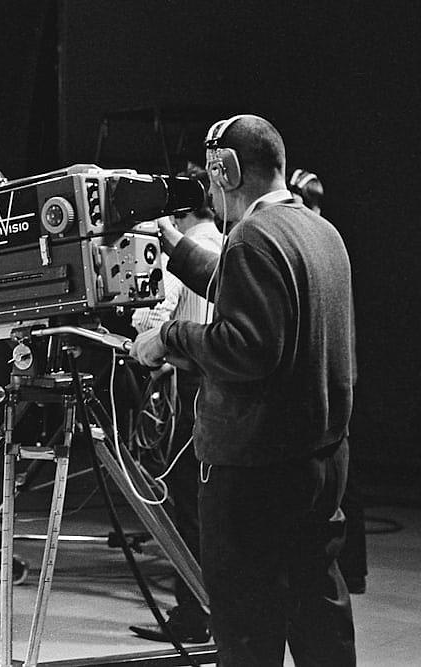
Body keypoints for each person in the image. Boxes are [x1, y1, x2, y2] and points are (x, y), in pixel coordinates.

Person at [131, 115, 356, 665]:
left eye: (211, 177)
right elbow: (252, 287)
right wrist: (178, 249)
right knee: (317, 612)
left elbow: (247, 348)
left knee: (248, 627)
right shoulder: (316, 229)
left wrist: (167, 336)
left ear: (225, 171)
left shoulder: (252, 237)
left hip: (256, 471)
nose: (208, 191)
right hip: (319, 461)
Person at [127, 164, 223, 645]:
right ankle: (207, 609)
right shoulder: (224, 242)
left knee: (187, 508)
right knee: (201, 506)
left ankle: (194, 613)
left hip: (191, 388)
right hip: (212, 388)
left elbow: (154, 316)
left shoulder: (188, 252)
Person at [289, 168, 368, 594]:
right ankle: (352, 570)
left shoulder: (315, 241)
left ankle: (347, 568)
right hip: (344, 372)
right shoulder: (330, 239)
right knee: (345, 479)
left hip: (331, 371)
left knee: (339, 485)